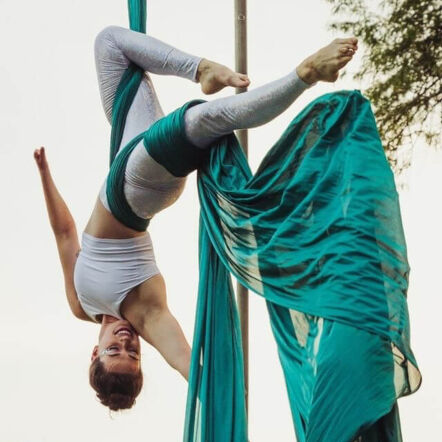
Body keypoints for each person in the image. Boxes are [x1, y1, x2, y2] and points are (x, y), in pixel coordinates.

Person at [34, 25, 357, 411]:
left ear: (95, 352)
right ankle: (305, 75)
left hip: (124, 153)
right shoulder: (147, 315)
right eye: (133, 354)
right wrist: (214, 399)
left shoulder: (80, 305)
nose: (126, 341)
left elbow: (64, 232)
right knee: (208, 119)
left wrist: (44, 174)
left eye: (114, 350)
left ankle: (201, 68)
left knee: (110, 44)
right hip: (136, 186)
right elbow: (186, 363)